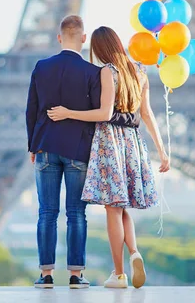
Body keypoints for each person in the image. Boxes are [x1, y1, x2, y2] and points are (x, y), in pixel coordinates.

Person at [47, 26, 170, 289]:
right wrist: (161, 150)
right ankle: (134, 252)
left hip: (109, 143)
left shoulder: (107, 72)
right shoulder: (140, 71)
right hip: (133, 144)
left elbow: (103, 114)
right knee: (122, 206)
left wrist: (69, 112)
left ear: (100, 48)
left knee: (112, 209)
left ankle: (119, 274)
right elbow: (147, 114)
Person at [26, 16, 139, 289]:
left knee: (46, 212)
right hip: (78, 150)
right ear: (84, 39)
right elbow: (101, 115)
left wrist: (33, 145)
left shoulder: (41, 67)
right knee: (76, 213)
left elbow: (31, 109)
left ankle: (46, 274)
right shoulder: (93, 72)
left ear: (59, 37)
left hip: (46, 147)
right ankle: (76, 275)